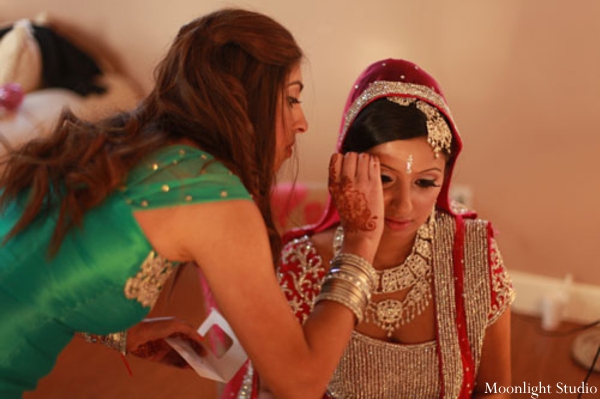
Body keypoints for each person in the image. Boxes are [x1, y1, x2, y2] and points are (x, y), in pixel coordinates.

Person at [0, 8, 385, 398]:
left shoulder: (114, 146)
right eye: (290, 99)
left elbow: (34, 271)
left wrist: (125, 332)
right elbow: (299, 383)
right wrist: (358, 245)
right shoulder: (217, 200)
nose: (301, 122)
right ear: (247, 101)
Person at [227, 58, 516, 398]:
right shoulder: (304, 265)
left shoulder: (473, 251)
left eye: (425, 182)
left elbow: (495, 390)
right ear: (344, 169)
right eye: (383, 179)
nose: (404, 205)